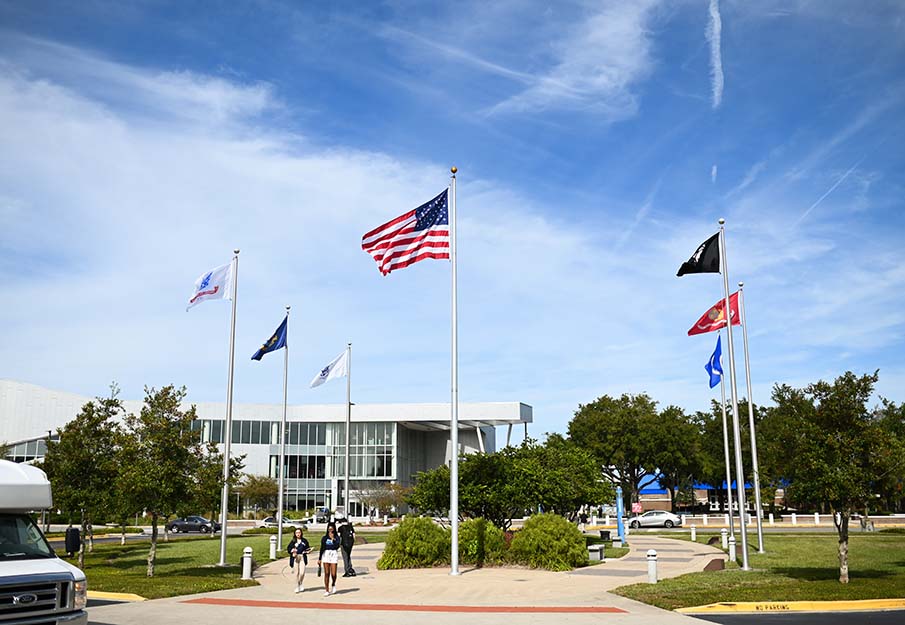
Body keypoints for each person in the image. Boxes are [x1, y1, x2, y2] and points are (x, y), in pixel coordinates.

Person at [317, 523, 341, 596]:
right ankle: (327, 589)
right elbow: (322, 548)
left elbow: (337, 546)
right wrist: (319, 558)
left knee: (333, 574)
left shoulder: (337, 537)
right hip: (326, 554)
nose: (330, 530)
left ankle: (333, 584)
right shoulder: (324, 538)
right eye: (329, 529)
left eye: (331, 529)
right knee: (327, 573)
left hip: (333, 554)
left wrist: (333, 539)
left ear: (334, 529)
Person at [287, 527, 311, 593]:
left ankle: (300, 583)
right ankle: (297, 586)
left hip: (302, 557)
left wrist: (308, 551)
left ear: (301, 533)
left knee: (302, 573)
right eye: (296, 533)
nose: (298, 534)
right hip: (295, 558)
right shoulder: (293, 541)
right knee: (296, 573)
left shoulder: (304, 541)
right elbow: (289, 549)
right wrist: (292, 551)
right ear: (295, 534)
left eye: (299, 532)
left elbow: (307, 548)